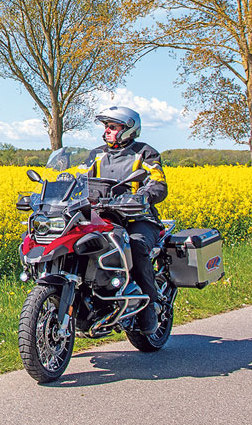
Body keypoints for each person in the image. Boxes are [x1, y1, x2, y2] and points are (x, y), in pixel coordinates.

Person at [84, 105, 167, 334]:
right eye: (106, 127)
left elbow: (158, 182)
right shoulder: (96, 154)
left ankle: (150, 307)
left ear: (128, 129)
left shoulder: (145, 153)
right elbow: (78, 179)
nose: (107, 131)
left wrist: (145, 195)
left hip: (138, 218)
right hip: (104, 217)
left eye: (113, 127)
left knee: (137, 246)